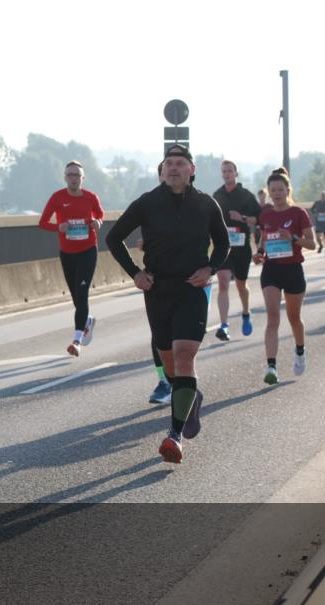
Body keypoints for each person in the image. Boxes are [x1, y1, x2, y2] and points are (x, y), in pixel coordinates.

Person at [106, 144, 230, 464]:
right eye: (168, 164)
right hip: (158, 290)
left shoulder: (205, 204)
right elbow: (112, 237)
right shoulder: (147, 203)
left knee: (184, 353)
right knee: (169, 363)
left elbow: (224, 243)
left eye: (180, 163)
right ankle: (189, 396)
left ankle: (173, 435)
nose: (173, 168)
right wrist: (135, 273)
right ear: (161, 171)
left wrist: (210, 269)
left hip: (191, 288)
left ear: (192, 170)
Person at [252, 168, 315, 385]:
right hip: (271, 270)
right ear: (268, 192)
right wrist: (259, 254)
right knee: (272, 318)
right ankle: (271, 367)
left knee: (294, 318)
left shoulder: (299, 213)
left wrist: (294, 237)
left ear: (287, 190)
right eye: (273, 190)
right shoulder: (266, 214)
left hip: (293, 270)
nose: (277, 193)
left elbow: (312, 243)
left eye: (280, 189)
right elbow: (263, 239)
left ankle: (299, 350)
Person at [38, 161, 105, 357]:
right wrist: (57, 228)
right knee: (76, 297)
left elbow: (100, 215)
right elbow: (42, 222)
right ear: (65, 177)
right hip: (67, 253)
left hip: (88, 250)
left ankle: (76, 341)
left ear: (82, 178)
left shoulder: (91, 197)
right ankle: (88, 321)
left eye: (77, 175)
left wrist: (97, 222)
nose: (73, 178)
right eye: (70, 175)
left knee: (82, 293)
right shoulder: (57, 197)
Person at [211, 159, 261, 340]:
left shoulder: (246, 195)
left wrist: (242, 218)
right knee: (223, 282)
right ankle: (224, 325)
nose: (226, 174)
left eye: (230, 171)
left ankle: (246, 313)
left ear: (236, 173)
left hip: (241, 247)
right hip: (223, 247)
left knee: (241, 285)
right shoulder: (217, 195)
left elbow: (259, 219)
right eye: (224, 171)